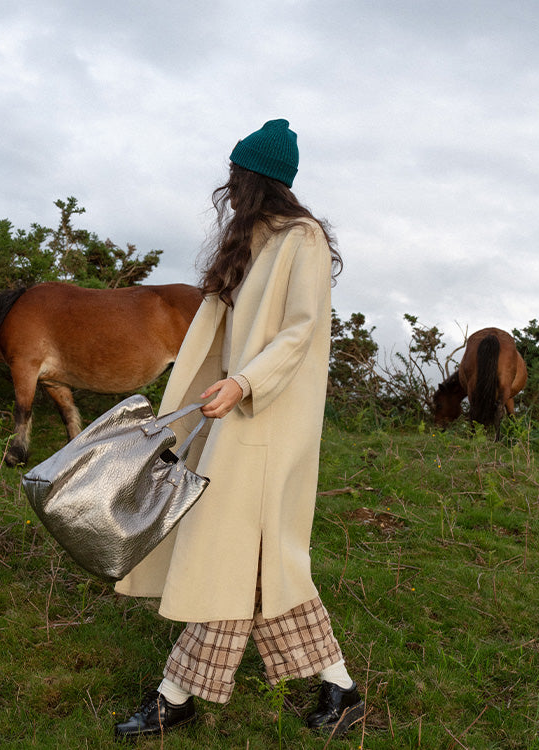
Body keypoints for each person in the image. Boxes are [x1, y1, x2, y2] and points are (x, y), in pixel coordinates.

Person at [113, 119, 364, 740]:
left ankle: (175, 697)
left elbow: (301, 329)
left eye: (238, 173)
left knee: (234, 549)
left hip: (269, 418)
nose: (229, 184)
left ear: (258, 179)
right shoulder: (246, 241)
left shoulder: (299, 238)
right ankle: (338, 687)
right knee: (243, 558)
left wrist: (246, 382)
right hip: (229, 414)